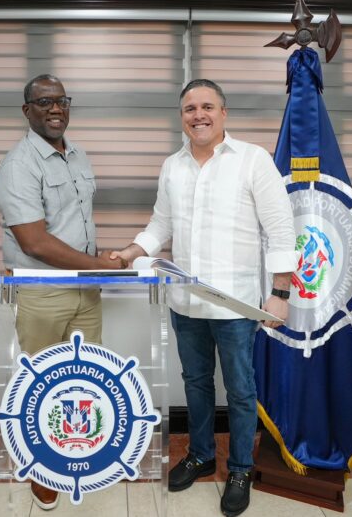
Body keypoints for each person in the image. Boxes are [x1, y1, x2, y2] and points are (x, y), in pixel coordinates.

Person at [111, 79, 296, 517]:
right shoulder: (172, 166)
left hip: (235, 304)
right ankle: (200, 454)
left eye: (207, 106)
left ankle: (240, 468)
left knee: (240, 389)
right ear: (182, 117)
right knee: (195, 383)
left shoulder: (253, 160)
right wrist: (132, 252)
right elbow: (160, 225)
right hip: (185, 302)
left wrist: (280, 294)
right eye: (190, 108)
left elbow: (282, 231)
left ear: (224, 113)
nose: (199, 115)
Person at [0, 73, 124, 510]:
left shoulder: (78, 154)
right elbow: (34, 242)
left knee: (84, 379)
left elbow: (73, 224)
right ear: (26, 110)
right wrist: (98, 266)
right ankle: (40, 469)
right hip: (43, 291)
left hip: (86, 288)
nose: (54, 108)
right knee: (40, 382)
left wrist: (97, 259)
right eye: (43, 101)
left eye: (61, 101)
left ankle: (73, 452)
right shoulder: (18, 164)